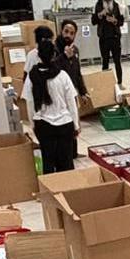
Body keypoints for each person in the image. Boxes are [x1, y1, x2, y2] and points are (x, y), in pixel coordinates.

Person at [27, 37, 80, 174]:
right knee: (66, 163)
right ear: (54, 55)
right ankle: (68, 192)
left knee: (48, 163)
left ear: (38, 55)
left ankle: (51, 192)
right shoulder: (62, 75)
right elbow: (71, 102)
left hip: (43, 125)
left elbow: (30, 102)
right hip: (64, 124)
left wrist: (33, 124)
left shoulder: (31, 76)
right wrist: (76, 125)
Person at [91, 0, 124, 84]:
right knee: (105, 61)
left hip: (115, 37)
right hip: (103, 38)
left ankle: (120, 82)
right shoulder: (98, 5)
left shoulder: (117, 5)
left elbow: (121, 21)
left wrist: (114, 20)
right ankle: (105, 83)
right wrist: (100, 14)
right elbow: (93, 21)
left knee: (117, 61)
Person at [58, 19, 87, 93]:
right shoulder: (53, 48)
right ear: (61, 31)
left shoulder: (75, 50)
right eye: (66, 31)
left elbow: (77, 73)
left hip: (72, 90)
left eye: (72, 33)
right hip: (58, 92)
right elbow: (52, 69)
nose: (68, 35)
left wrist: (83, 92)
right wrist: (64, 56)